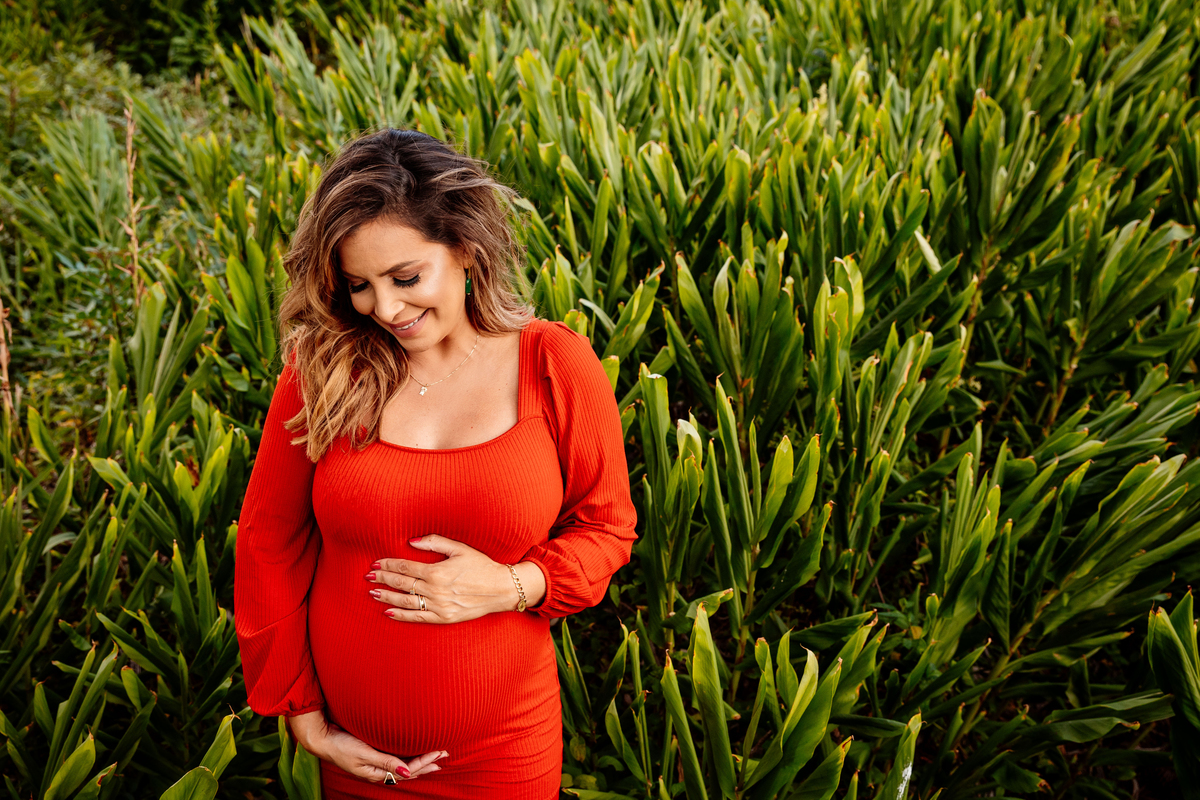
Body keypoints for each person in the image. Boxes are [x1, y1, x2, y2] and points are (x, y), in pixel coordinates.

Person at [233, 127, 639, 799]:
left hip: (505, 754)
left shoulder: (552, 362)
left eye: (405, 277)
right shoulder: (324, 372)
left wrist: (511, 586)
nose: (386, 308)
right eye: (359, 286)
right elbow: (268, 540)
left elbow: (607, 528)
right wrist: (302, 715)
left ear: (466, 250)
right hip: (356, 757)